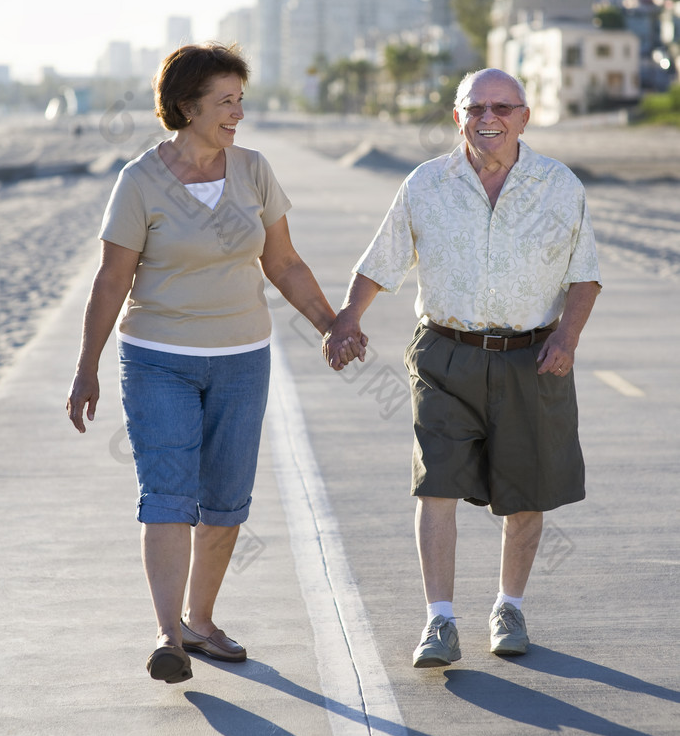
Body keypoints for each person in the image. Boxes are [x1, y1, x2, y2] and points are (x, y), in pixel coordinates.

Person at [67, 42, 360, 684]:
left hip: (241, 360)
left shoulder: (253, 171)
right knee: (168, 496)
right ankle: (168, 636)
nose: (238, 114)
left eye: (240, 100)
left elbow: (282, 262)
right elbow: (111, 281)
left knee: (225, 500)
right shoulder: (140, 180)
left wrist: (333, 323)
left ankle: (201, 621)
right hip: (158, 360)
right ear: (185, 106)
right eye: (225, 101)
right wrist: (87, 366)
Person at [323, 68, 601, 667]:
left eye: (502, 107)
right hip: (444, 355)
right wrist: (348, 318)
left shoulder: (558, 185)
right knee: (437, 484)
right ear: (458, 118)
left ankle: (510, 606)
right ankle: (440, 620)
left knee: (527, 493)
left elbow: (585, 274)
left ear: (524, 116)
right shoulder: (427, 184)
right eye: (475, 108)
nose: (488, 118)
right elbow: (382, 260)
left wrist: (567, 339)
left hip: (532, 357)